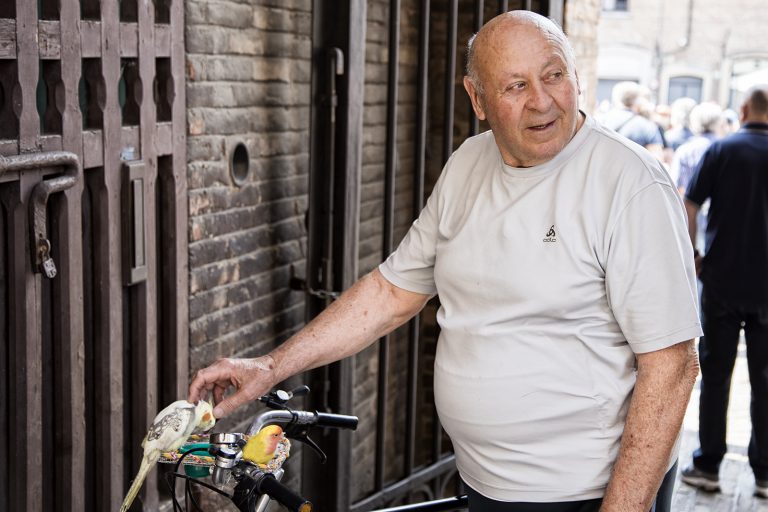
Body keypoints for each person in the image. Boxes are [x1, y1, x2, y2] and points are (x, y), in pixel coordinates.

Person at [189, 11, 701, 511]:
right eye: (515, 86)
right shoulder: (468, 164)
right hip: (485, 482)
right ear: (477, 99)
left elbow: (673, 364)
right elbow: (392, 292)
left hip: (582, 494)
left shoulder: (630, 184)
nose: (542, 101)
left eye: (554, 75)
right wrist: (271, 366)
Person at [680, 85, 768, 499]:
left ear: (744, 109)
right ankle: (765, 473)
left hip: (721, 279)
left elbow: (690, 205)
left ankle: (709, 465)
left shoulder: (721, 150)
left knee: (715, 375)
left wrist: (693, 253)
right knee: (766, 380)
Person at [668, 102, 723, 195]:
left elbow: (676, 187)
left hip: (689, 205)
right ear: (719, 122)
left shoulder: (685, 150)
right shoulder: (726, 149)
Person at [600, 81, 665, 161]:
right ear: (637, 100)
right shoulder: (647, 126)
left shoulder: (601, 120)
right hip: (633, 171)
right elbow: (657, 160)